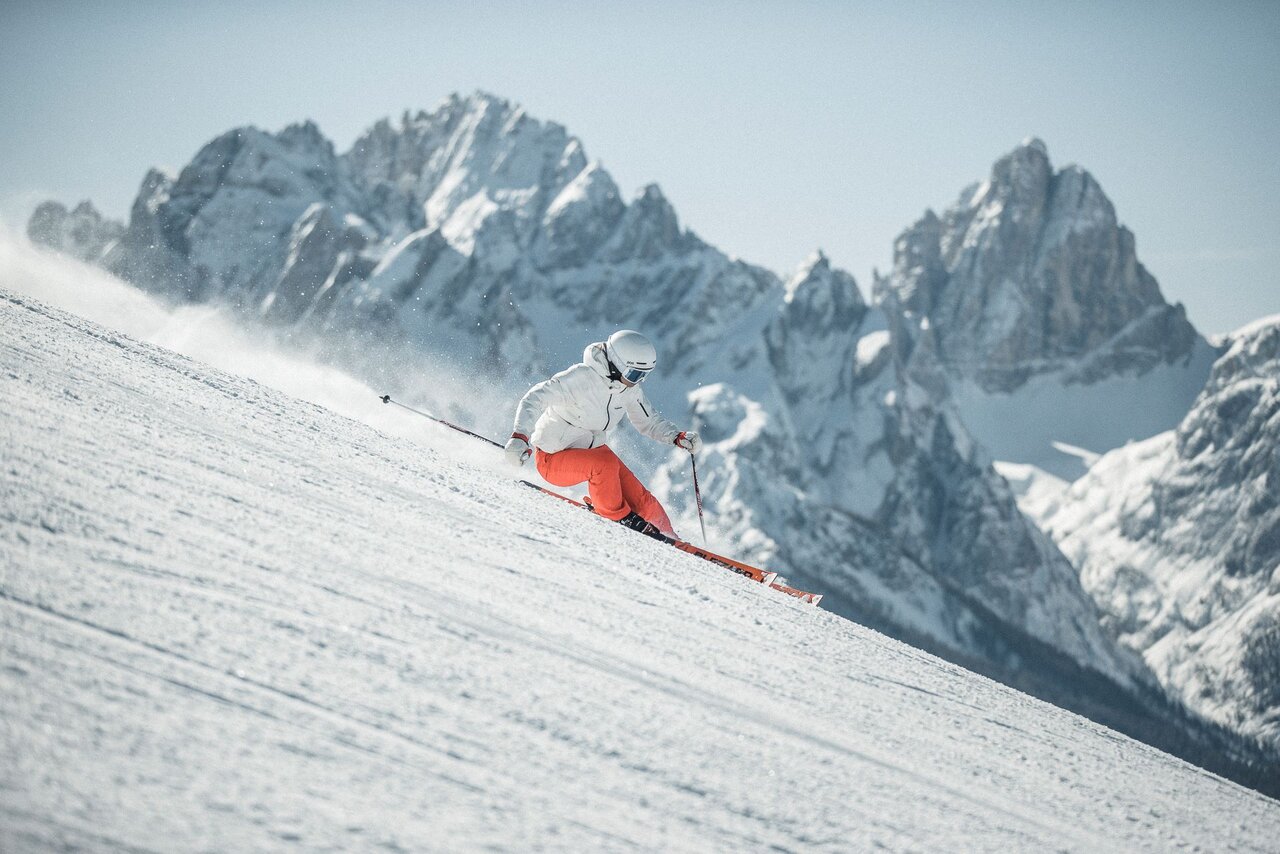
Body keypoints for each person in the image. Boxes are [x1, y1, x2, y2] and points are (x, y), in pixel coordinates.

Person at [504, 330, 702, 538]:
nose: (637, 381)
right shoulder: (581, 378)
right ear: (617, 364)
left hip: (593, 453)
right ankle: (618, 517)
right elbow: (534, 398)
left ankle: (670, 536)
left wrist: (675, 436)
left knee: (644, 501)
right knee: (604, 467)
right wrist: (520, 436)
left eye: (643, 375)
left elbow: (648, 421)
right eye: (634, 374)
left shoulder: (628, 389)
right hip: (552, 458)